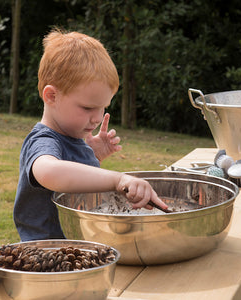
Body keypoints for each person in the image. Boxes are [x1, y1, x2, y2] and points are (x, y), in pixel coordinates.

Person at [13, 28, 168, 242]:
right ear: (51, 96)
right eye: (87, 108)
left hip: (79, 246)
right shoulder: (43, 140)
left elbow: (74, 177)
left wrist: (92, 158)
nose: (97, 118)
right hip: (49, 256)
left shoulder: (72, 138)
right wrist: (117, 179)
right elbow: (49, 172)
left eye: (103, 107)